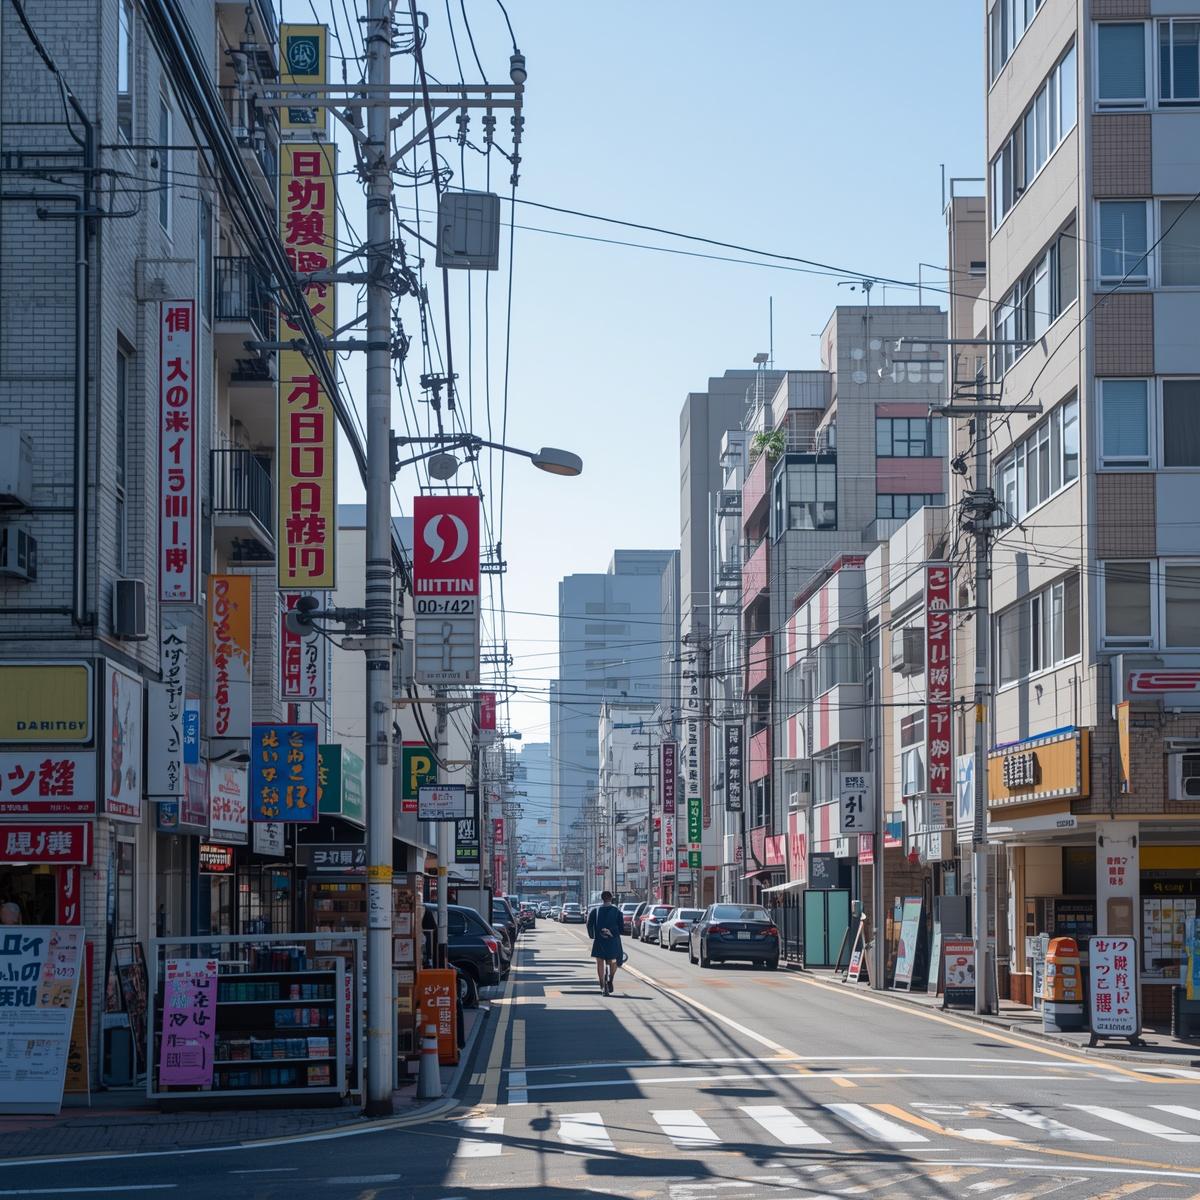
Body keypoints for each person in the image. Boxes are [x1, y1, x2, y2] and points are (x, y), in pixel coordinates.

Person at [586, 890, 624, 995]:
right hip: (613, 941)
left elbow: (589, 924)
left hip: (599, 941)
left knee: (600, 962)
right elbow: (621, 928)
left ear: (602, 898)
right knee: (613, 961)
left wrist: (592, 935)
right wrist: (612, 932)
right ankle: (610, 979)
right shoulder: (617, 911)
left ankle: (602, 985)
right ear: (611, 898)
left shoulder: (595, 911)